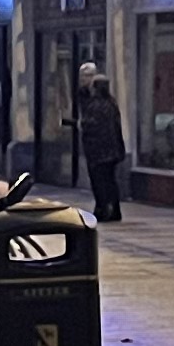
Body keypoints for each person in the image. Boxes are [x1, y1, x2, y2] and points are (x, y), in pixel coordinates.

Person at [72, 64, 128, 226]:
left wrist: (79, 124)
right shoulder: (111, 102)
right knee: (110, 181)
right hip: (111, 150)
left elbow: (90, 124)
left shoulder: (96, 104)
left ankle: (104, 209)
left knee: (100, 182)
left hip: (98, 151)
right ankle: (113, 209)